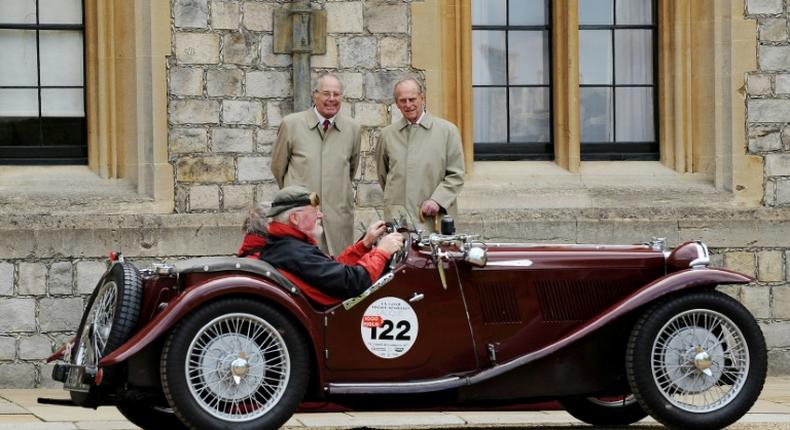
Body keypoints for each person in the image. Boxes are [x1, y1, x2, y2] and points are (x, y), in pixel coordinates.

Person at [259, 185, 403, 306]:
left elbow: (331, 269)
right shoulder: (295, 251)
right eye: (315, 211)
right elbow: (352, 282)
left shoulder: (285, 244)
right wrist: (382, 252)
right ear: (295, 218)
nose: (320, 215)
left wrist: (364, 244)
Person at [271, 73, 362, 256]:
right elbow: (278, 167)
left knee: (339, 268)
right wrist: (296, 197)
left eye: (336, 94)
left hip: (338, 219)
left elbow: (350, 169)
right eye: (326, 93)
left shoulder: (353, 129)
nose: (331, 99)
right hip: (301, 218)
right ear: (315, 95)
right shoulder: (292, 124)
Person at [376, 77, 465, 232]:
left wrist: (437, 200)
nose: (408, 105)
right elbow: (384, 176)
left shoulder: (447, 131)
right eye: (403, 101)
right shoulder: (387, 135)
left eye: (412, 99)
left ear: (422, 98)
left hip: (434, 220)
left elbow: (456, 175)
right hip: (399, 222)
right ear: (397, 104)